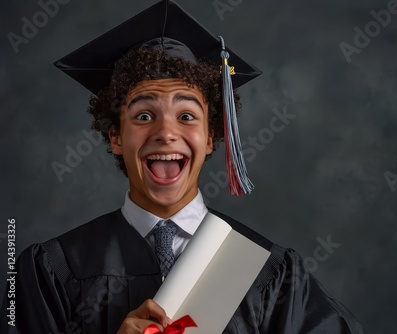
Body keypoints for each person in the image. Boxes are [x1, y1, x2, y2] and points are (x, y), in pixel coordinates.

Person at [1, 1, 363, 333]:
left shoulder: (271, 272)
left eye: (187, 115)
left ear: (210, 136)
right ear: (115, 136)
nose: (165, 133)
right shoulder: (52, 270)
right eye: (144, 115)